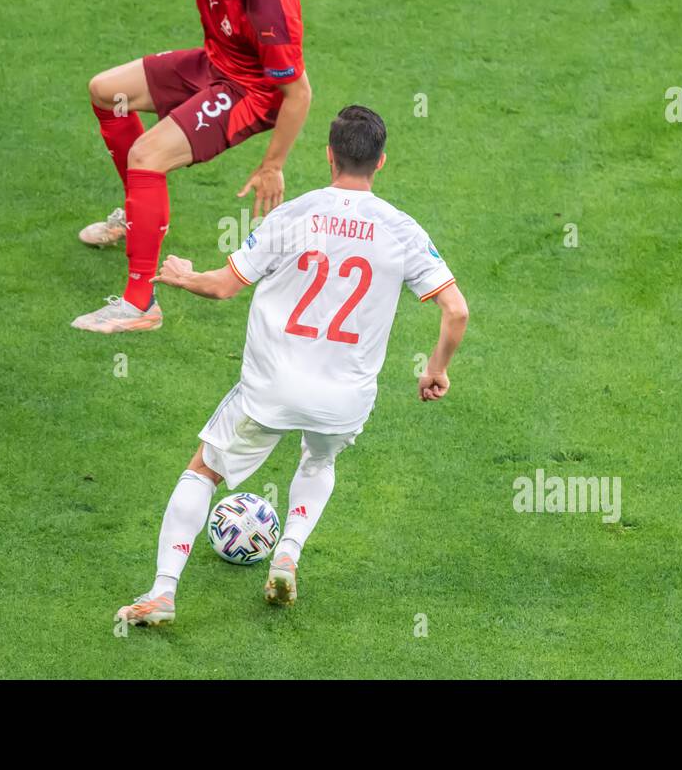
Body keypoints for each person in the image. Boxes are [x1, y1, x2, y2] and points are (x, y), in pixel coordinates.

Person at [115, 106, 469, 625]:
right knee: (320, 461)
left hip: (271, 389)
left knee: (205, 470)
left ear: (329, 155)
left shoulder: (295, 214)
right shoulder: (403, 230)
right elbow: (456, 310)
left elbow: (223, 286)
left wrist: (183, 274)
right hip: (343, 399)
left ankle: (163, 593)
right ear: (381, 162)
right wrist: (435, 368)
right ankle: (288, 555)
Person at [44, 0, 312, 332]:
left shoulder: (271, 4)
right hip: (215, 62)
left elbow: (298, 94)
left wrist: (272, 165)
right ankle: (135, 215)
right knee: (105, 91)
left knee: (147, 155)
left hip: (250, 92)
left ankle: (140, 303)